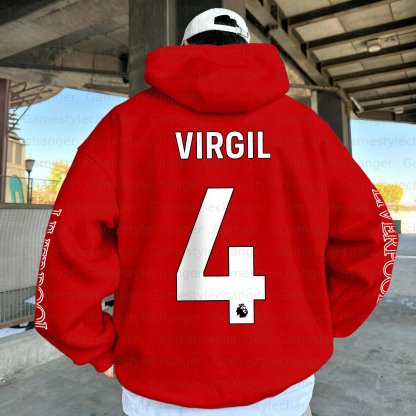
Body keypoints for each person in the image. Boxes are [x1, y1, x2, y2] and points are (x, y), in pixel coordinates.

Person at [33, 7, 399, 416]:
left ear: (184, 48)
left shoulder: (125, 126)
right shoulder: (306, 130)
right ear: (247, 48)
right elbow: (374, 235)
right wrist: (324, 321)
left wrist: (90, 344)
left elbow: (70, 242)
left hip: (161, 385)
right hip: (282, 382)